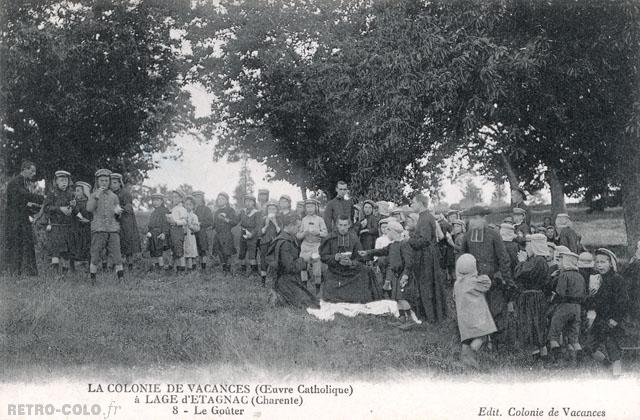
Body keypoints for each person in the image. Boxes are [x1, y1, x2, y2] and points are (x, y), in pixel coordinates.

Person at [460, 206, 514, 340]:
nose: (472, 221)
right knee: (477, 309)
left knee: (496, 309)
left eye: (476, 218)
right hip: (474, 279)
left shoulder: (493, 234)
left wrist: (503, 277)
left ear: (483, 219)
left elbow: (503, 257)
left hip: (493, 279)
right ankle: (481, 338)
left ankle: (498, 341)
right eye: (471, 218)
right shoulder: (467, 236)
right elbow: (462, 256)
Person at [361, 220, 417, 325]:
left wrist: (405, 275)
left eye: (388, 230)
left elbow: (409, 262)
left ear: (393, 231)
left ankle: (410, 320)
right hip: (395, 275)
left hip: (402, 275)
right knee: (396, 298)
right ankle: (402, 318)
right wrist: (367, 252)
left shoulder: (404, 244)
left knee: (402, 298)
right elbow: (381, 251)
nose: (386, 233)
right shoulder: (392, 245)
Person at [585, 248, 629, 377]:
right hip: (600, 319)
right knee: (589, 347)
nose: (599, 265)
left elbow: (623, 302)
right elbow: (593, 302)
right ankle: (608, 366)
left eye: (603, 262)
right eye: (597, 262)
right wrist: (591, 296)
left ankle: (617, 375)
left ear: (610, 263)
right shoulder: (598, 279)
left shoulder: (617, 279)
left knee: (613, 348)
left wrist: (615, 319)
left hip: (612, 320)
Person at [320, 216, 381, 303]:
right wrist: (334, 257)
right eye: (340, 225)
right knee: (330, 293)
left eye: (345, 225)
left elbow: (360, 258)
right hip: (335, 270)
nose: (342, 228)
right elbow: (323, 257)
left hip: (350, 270)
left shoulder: (354, 238)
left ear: (349, 225)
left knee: (367, 270)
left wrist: (351, 263)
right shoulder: (330, 238)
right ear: (337, 225)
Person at [266, 213, 320, 309]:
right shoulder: (285, 243)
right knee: (309, 304)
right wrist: (305, 260)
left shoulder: (287, 237)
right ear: (290, 225)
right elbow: (289, 267)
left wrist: (306, 261)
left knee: (313, 301)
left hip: (289, 279)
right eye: (298, 227)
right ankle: (278, 296)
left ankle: (280, 297)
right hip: (284, 281)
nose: (299, 229)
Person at [408, 193, 447, 323]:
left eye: (413, 202)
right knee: (430, 284)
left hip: (426, 256)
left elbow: (424, 240)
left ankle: (431, 317)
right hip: (428, 254)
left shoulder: (424, 218)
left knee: (426, 285)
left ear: (420, 203)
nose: (412, 205)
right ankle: (434, 315)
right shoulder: (425, 217)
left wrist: (410, 240)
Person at [454, 253, 497, 370]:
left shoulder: (457, 284)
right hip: (477, 317)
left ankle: (464, 357)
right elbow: (487, 283)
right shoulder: (475, 282)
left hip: (464, 318)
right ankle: (471, 355)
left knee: (466, 339)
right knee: (482, 336)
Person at [513, 234, 552, 361]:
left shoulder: (537, 261)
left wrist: (522, 262)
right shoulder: (541, 261)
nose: (526, 249)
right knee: (537, 325)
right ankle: (541, 354)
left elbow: (521, 275)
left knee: (531, 325)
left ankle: (537, 356)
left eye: (528, 245)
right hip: (536, 297)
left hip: (531, 298)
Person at [548, 249, 587, 364]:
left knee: (553, 335)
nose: (559, 264)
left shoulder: (564, 276)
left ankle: (557, 360)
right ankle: (579, 362)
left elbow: (560, 293)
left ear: (566, 262)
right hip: (577, 308)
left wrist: (552, 301)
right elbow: (584, 294)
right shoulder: (580, 276)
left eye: (560, 261)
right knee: (574, 338)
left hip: (564, 306)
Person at [5, 161, 43, 276]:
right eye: (32, 171)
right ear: (24, 169)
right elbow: (24, 196)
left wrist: (35, 209)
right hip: (15, 221)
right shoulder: (16, 182)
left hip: (22, 219)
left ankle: (26, 272)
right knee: (17, 245)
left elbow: (23, 203)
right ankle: (16, 273)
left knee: (26, 245)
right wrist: (42, 198)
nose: (34, 173)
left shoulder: (24, 183)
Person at [86, 169, 124, 283]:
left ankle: (121, 279)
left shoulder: (114, 196)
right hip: (98, 229)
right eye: (101, 180)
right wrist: (96, 196)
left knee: (117, 254)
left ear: (109, 181)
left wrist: (118, 213)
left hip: (113, 229)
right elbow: (89, 209)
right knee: (96, 254)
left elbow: (117, 214)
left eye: (106, 180)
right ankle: (93, 279)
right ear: (97, 182)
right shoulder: (93, 195)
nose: (104, 183)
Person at [43, 170, 75, 274]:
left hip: (67, 227)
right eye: (61, 180)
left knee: (65, 251)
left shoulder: (70, 194)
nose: (64, 182)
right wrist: (60, 209)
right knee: (55, 251)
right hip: (56, 226)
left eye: (66, 180)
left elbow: (73, 209)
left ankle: (64, 275)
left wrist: (72, 207)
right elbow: (46, 208)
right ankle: (56, 274)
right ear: (56, 182)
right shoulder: (52, 194)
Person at [110, 173, 141, 270]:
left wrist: (120, 209)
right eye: (111, 183)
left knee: (128, 242)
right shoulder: (110, 194)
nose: (113, 185)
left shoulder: (125, 193)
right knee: (115, 243)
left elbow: (129, 207)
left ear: (120, 183)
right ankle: (115, 265)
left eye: (115, 183)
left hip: (126, 221)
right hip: (115, 220)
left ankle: (130, 265)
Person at [296, 199, 328, 294]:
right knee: (303, 265)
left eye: (312, 207)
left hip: (315, 246)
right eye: (308, 207)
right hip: (306, 245)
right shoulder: (304, 220)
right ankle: (304, 287)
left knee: (316, 267)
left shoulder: (319, 220)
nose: (310, 209)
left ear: (315, 208)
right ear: (305, 208)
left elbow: (325, 233)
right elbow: (298, 235)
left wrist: (318, 232)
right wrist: (303, 233)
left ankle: (317, 289)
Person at [212, 192, 238, 273]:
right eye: (219, 199)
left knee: (227, 252)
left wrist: (226, 219)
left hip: (227, 233)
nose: (220, 200)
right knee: (219, 251)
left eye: (222, 199)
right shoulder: (216, 211)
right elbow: (214, 223)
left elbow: (235, 221)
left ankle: (228, 267)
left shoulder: (230, 210)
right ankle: (223, 267)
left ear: (227, 201)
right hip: (218, 234)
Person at [145, 193, 170, 271]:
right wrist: (148, 232)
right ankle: (154, 266)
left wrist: (164, 233)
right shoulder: (153, 212)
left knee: (159, 251)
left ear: (162, 201)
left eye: (157, 200)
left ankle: (161, 267)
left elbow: (166, 224)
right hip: (152, 234)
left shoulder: (164, 211)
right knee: (152, 251)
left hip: (159, 234)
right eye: (153, 200)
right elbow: (150, 225)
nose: (155, 202)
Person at [258, 201, 281, 286]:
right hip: (265, 242)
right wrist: (266, 225)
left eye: (273, 209)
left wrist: (275, 223)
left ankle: (275, 280)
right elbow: (260, 233)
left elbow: (280, 232)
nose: (271, 210)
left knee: (275, 260)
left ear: (276, 210)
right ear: (267, 210)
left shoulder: (279, 219)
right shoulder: (264, 219)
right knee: (263, 260)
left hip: (275, 242)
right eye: (269, 209)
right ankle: (263, 281)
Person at [238, 195, 261, 274]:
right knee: (242, 251)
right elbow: (236, 220)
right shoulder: (242, 211)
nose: (248, 203)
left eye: (250, 201)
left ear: (254, 203)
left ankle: (254, 271)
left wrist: (252, 234)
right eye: (246, 201)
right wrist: (227, 219)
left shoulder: (257, 213)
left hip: (252, 233)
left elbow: (258, 226)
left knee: (252, 253)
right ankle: (243, 269)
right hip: (243, 232)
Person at [70, 181, 92, 265]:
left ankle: (89, 266)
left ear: (84, 191)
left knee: (87, 246)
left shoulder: (89, 203)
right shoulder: (74, 203)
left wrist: (88, 221)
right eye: (75, 190)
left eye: (78, 190)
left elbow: (93, 216)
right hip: (75, 228)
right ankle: (73, 267)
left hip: (86, 228)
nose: (76, 193)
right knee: (74, 245)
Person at [167, 190, 188, 273]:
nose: (174, 199)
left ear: (181, 199)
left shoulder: (182, 209)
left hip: (178, 230)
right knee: (174, 249)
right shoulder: (173, 208)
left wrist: (176, 222)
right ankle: (171, 266)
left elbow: (185, 221)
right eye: (173, 197)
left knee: (179, 250)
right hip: (172, 230)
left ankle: (182, 268)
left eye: (176, 197)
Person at [193, 191, 214, 270]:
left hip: (202, 232)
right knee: (194, 249)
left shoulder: (206, 209)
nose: (197, 199)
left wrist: (200, 223)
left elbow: (210, 221)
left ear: (202, 198)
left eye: (198, 197)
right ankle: (194, 266)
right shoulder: (192, 209)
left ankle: (203, 266)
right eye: (195, 197)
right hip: (193, 232)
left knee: (203, 249)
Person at [183, 196, 200, 270]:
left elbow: (197, 228)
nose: (188, 206)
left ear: (193, 206)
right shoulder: (182, 215)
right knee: (186, 252)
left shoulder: (194, 216)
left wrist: (190, 225)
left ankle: (192, 268)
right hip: (184, 237)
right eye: (186, 204)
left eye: (190, 205)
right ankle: (189, 267)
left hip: (191, 236)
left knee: (191, 252)